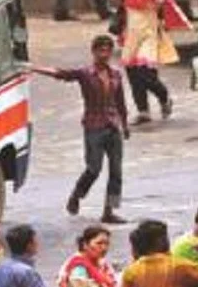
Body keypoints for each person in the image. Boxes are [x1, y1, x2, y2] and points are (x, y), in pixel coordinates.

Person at [29, 35, 130, 225]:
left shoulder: (116, 75)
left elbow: (120, 102)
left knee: (116, 171)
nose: (104, 54)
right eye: (101, 50)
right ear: (93, 52)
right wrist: (34, 68)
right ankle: (77, 195)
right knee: (94, 168)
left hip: (112, 126)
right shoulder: (85, 73)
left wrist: (124, 125)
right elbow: (60, 74)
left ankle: (109, 210)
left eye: (108, 50)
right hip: (94, 126)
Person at [111, 0, 189, 123]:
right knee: (133, 74)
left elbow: (164, 5)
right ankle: (143, 110)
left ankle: (164, 97)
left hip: (149, 35)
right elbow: (122, 8)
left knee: (146, 74)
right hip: (130, 35)